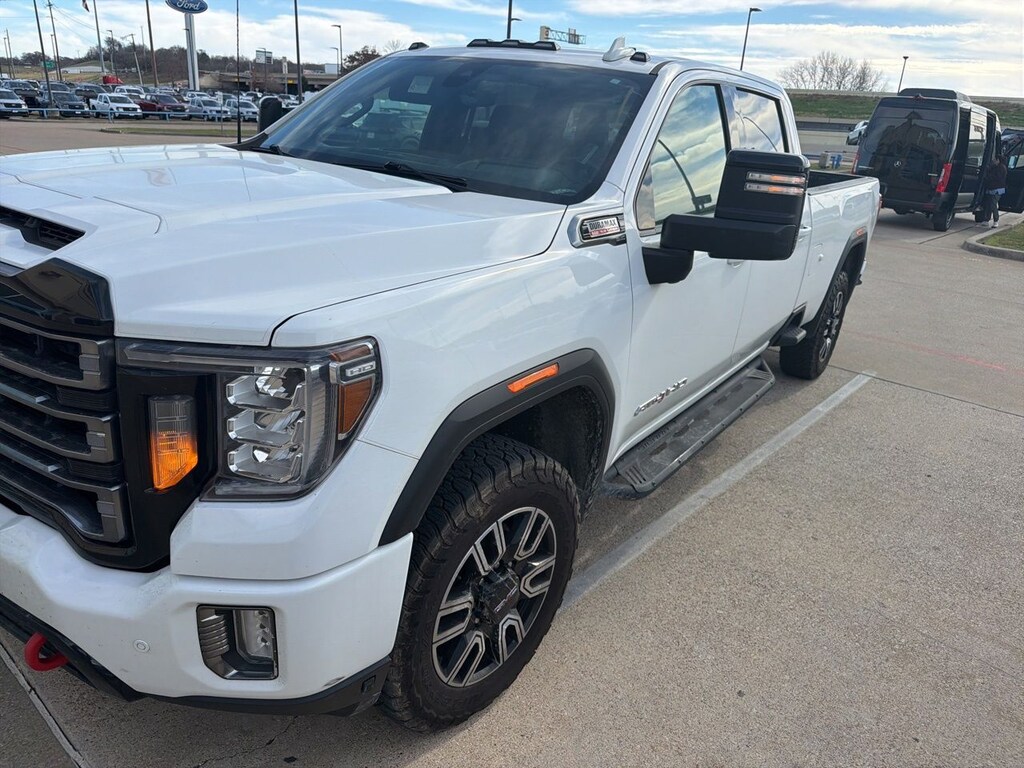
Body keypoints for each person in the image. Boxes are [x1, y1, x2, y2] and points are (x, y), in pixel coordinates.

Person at [981, 155, 1007, 228]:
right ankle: (986, 220)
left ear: (998, 160)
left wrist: (987, 178)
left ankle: (996, 220)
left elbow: (997, 178)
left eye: (995, 159)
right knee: (988, 205)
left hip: (997, 189)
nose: (993, 160)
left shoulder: (1001, 168)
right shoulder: (994, 167)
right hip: (991, 188)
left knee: (993, 205)